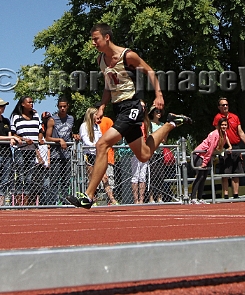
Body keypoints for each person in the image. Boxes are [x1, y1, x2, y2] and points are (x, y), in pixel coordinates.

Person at [67, 23, 192, 209]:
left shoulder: (128, 56)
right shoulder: (100, 60)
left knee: (102, 144)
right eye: (92, 39)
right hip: (118, 108)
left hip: (132, 106)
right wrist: (102, 106)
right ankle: (170, 124)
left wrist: (159, 94)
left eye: (96, 39)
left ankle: (89, 195)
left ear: (106, 37)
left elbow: (149, 70)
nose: (93, 43)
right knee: (144, 154)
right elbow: (109, 86)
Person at [213, 98, 245, 199]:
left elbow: (240, 132)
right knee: (225, 172)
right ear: (219, 107)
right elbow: (218, 133)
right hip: (225, 147)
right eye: (223, 105)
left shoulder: (235, 117)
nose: (225, 106)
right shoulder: (218, 117)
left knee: (236, 171)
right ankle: (226, 195)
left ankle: (236, 195)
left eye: (226, 104)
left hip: (236, 146)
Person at [9, 96, 45, 206]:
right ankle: (19, 203)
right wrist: (24, 140)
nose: (31, 104)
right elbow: (13, 133)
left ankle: (28, 203)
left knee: (29, 177)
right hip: (21, 149)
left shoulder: (35, 115)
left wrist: (39, 138)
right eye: (29, 102)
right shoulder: (16, 116)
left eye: (32, 102)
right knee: (20, 176)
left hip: (32, 150)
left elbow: (40, 129)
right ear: (23, 104)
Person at [79, 107, 119, 205]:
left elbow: (101, 138)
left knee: (104, 177)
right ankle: (92, 199)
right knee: (92, 178)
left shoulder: (97, 126)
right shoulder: (84, 126)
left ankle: (112, 199)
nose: (98, 116)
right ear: (91, 115)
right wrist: (93, 145)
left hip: (98, 154)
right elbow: (85, 139)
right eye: (96, 114)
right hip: (89, 154)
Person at [45, 97, 79, 205]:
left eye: (64, 106)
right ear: (58, 107)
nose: (62, 108)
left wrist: (74, 135)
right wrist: (60, 140)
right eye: (60, 107)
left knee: (65, 180)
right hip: (56, 154)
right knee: (54, 180)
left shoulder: (71, 119)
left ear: (67, 106)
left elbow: (69, 132)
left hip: (67, 154)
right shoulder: (52, 120)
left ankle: (65, 202)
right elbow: (47, 137)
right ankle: (52, 202)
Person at [191, 118, 231, 204]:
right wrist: (205, 162)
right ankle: (193, 197)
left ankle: (199, 197)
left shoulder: (224, 135)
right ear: (219, 126)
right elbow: (210, 149)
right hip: (199, 155)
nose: (224, 126)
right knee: (200, 176)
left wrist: (228, 147)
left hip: (207, 157)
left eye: (225, 125)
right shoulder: (215, 134)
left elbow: (219, 147)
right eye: (222, 125)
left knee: (204, 177)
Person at [147, 104, 169, 204]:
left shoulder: (162, 125)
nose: (159, 113)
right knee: (152, 175)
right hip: (152, 152)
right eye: (157, 111)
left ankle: (160, 197)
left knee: (160, 175)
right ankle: (151, 197)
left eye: (160, 112)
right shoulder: (150, 124)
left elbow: (164, 139)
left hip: (160, 152)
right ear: (152, 113)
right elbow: (149, 137)